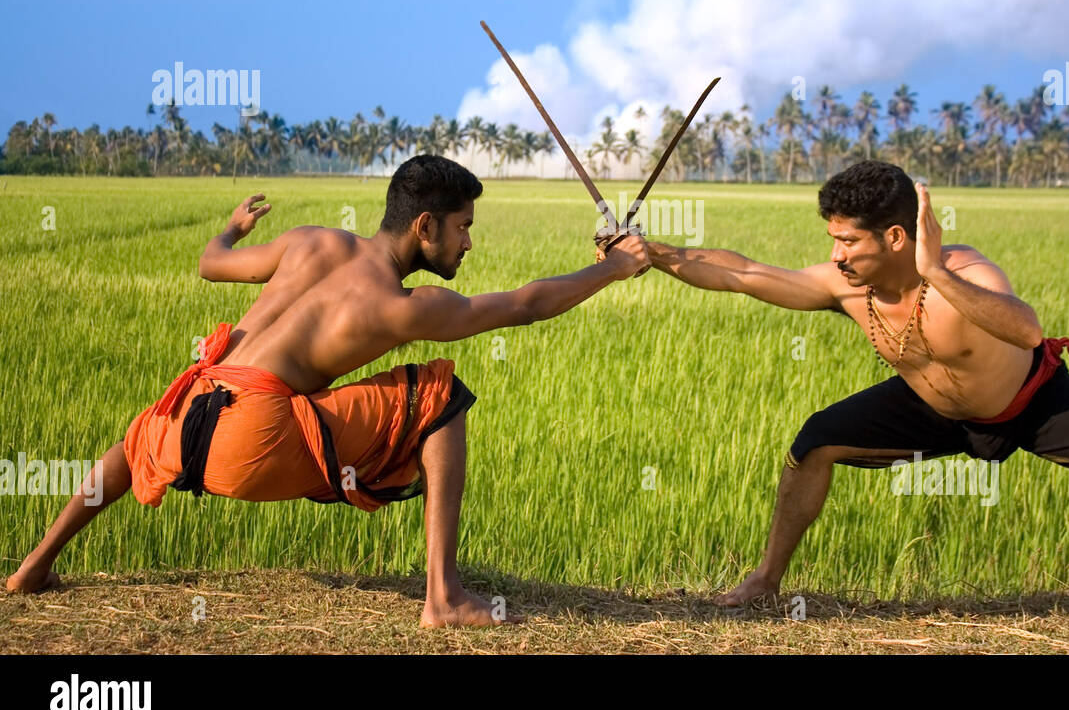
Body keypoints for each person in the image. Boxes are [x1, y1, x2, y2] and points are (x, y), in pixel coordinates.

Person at [636, 159, 1069, 646]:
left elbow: (1026, 330)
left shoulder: (962, 276)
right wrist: (652, 255)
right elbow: (743, 274)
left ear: (897, 237)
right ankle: (766, 582)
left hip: (1032, 405)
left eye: (849, 242)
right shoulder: (844, 287)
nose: (836, 256)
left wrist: (938, 270)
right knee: (814, 441)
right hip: (933, 411)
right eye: (832, 240)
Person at [6, 155, 651, 627]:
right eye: (461, 226)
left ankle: (34, 566)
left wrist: (232, 229)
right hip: (252, 437)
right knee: (441, 398)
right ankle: (443, 596)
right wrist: (616, 268)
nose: (468, 240)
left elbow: (209, 262)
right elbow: (523, 306)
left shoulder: (309, 241)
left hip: (191, 412)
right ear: (424, 226)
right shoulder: (400, 306)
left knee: (136, 437)